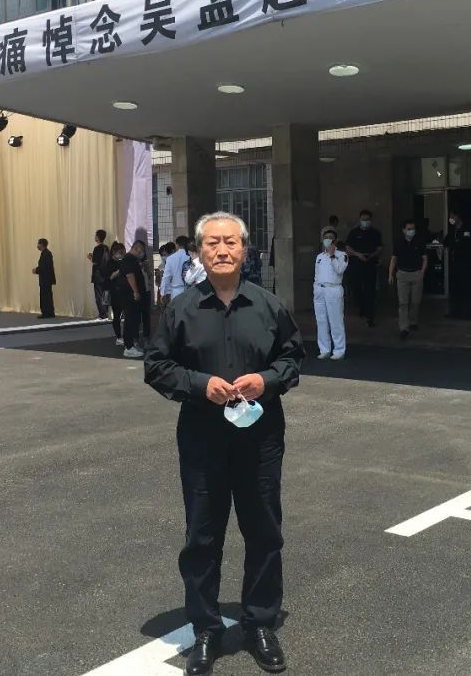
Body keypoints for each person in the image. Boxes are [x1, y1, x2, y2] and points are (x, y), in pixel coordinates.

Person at [144, 211, 303, 676]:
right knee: (202, 536)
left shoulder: (269, 306)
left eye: (230, 242)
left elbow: (293, 358)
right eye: (212, 243)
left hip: (260, 439)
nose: (222, 250)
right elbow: (156, 366)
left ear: (244, 249)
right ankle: (206, 630)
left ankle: (259, 624)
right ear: (199, 251)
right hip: (202, 439)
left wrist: (266, 380)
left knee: (264, 531)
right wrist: (200, 384)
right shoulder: (181, 309)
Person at [388, 219, 427, 340]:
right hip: (402, 274)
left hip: (416, 274)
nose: (411, 231)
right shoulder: (399, 242)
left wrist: (422, 272)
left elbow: (425, 258)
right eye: (409, 229)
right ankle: (404, 327)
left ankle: (413, 321)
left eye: (413, 229)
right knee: (403, 302)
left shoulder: (419, 241)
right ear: (404, 230)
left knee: (416, 301)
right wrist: (390, 274)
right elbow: (393, 259)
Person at [313, 228, 348, 360]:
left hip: (333, 289)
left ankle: (339, 350)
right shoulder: (320, 256)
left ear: (336, 240)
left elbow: (340, 269)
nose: (328, 240)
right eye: (325, 237)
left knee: (335, 321)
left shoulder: (342, 255)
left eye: (330, 238)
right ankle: (324, 349)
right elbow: (317, 274)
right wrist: (316, 288)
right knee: (321, 321)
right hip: (320, 290)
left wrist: (333, 255)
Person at [345, 210, 383, 327]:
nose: (365, 221)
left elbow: (380, 247)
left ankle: (370, 316)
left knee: (370, 290)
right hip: (356, 264)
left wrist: (373, 255)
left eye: (367, 219)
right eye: (363, 219)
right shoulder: (354, 232)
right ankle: (362, 306)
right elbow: (348, 248)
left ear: (371, 220)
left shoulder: (375, 233)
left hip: (370, 264)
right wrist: (357, 254)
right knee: (356, 288)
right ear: (360, 220)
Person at [119, 240, 149, 358]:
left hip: (132, 295)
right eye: (141, 251)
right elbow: (130, 276)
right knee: (130, 320)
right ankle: (129, 347)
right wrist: (136, 291)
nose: (142, 253)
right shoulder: (128, 259)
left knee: (134, 319)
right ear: (137, 248)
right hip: (129, 295)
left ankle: (132, 345)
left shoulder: (132, 259)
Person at [442, 211, 469, 318]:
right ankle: (454, 311)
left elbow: (466, 244)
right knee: (454, 287)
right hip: (454, 263)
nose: (451, 218)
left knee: (464, 288)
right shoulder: (452, 230)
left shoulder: (466, 229)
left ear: (458, 216)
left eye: (452, 216)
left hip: (464, 263)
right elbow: (446, 242)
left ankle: (465, 312)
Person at [88, 229, 111, 321]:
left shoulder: (97, 248)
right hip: (106, 274)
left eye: (95, 235)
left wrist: (90, 257)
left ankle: (102, 314)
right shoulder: (107, 248)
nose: (95, 237)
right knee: (105, 294)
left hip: (98, 275)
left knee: (98, 295)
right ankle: (106, 312)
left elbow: (95, 262)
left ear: (97, 237)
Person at [161, 235, 191, 304]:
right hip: (189, 290)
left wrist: (163, 293)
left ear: (177, 245)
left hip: (176, 291)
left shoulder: (170, 258)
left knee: (176, 310)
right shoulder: (190, 256)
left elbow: (166, 277)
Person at [108, 242, 127, 346]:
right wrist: (120, 270)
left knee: (127, 314)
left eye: (123, 252)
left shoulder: (123, 261)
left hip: (124, 291)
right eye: (121, 252)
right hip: (115, 292)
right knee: (117, 316)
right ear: (114, 252)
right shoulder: (110, 263)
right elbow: (110, 277)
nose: (122, 255)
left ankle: (127, 335)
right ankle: (119, 337)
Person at [33, 238, 56, 318]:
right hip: (47, 279)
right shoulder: (46, 253)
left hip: (45, 279)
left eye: (38, 244)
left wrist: (36, 270)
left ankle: (46, 313)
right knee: (48, 296)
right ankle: (50, 312)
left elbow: (44, 267)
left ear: (42, 244)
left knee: (45, 296)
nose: (37, 245)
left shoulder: (46, 254)